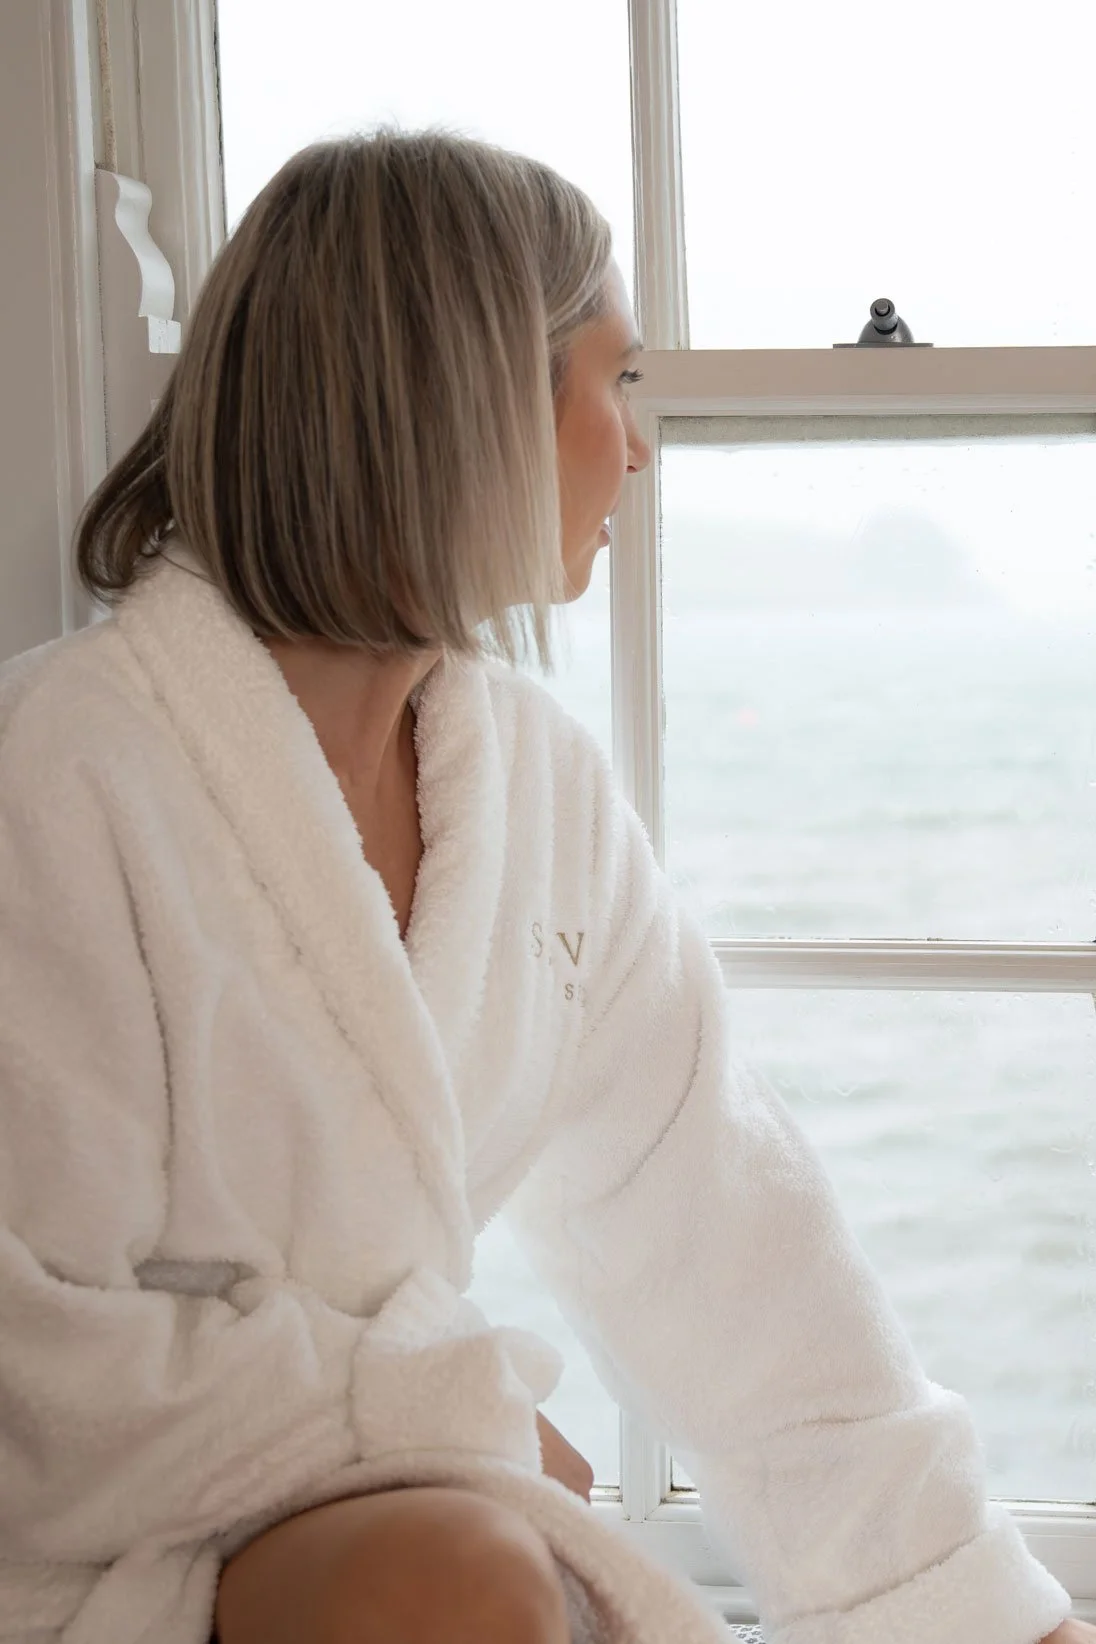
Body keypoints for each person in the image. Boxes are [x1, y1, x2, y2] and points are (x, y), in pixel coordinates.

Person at [0, 127, 1089, 1644]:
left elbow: (733, 1243)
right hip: (103, 1556)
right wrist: (444, 1426)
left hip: (385, 1519)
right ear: (468, 403)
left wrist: (981, 1609)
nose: (639, 447)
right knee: (471, 1572)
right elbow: (34, 1360)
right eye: (615, 380)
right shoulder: (61, 776)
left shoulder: (536, 791)